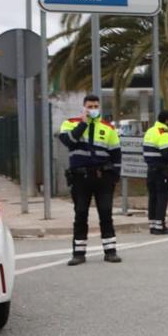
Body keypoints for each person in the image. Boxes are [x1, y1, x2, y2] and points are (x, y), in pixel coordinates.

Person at [58, 94, 123, 265]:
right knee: (80, 214)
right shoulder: (70, 123)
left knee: (106, 213)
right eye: (89, 106)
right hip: (80, 178)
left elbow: (116, 154)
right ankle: (78, 253)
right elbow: (68, 142)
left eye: (95, 106)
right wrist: (83, 123)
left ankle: (110, 251)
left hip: (103, 178)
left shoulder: (108, 128)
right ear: (83, 107)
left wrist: (114, 176)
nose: (93, 109)